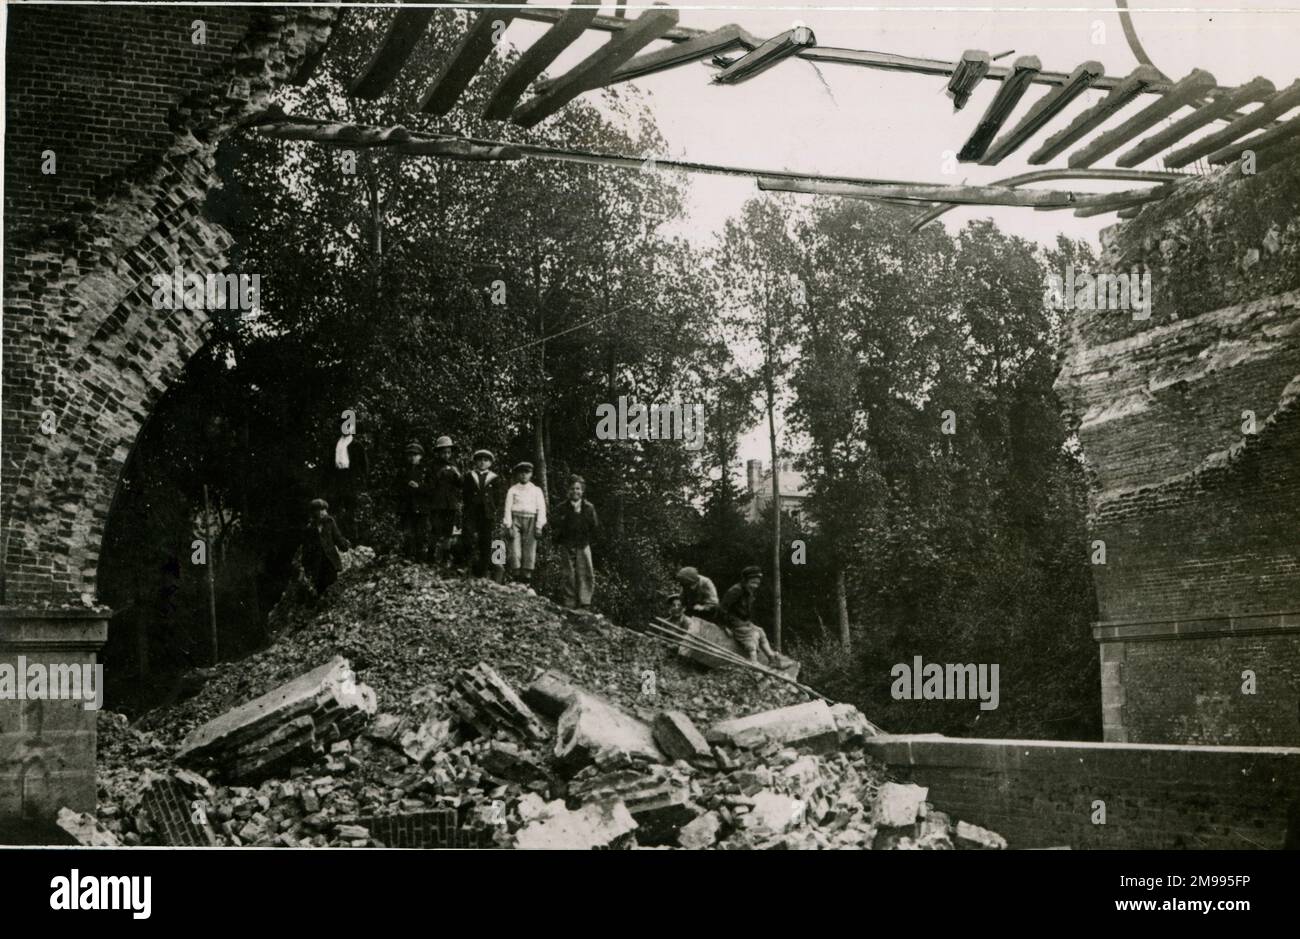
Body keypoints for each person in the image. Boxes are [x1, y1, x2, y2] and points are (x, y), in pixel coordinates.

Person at [551, 475, 599, 608]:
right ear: (568, 491)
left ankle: (585, 602)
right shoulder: (562, 508)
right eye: (572, 488)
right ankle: (569, 602)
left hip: (583, 544)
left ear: (582, 491)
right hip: (567, 544)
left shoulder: (588, 507)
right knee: (568, 574)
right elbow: (556, 525)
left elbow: (594, 526)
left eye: (578, 488)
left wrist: (586, 538)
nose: (575, 491)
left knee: (586, 572)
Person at [719, 565, 782, 665]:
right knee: (751, 635)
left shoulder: (748, 591)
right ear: (746, 580)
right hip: (733, 621)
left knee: (760, 631)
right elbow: (722, 608)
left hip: (743, 621)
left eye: (757, 582)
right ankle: (753, 662)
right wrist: (725, 626)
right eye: (753, 581)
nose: (755, 585)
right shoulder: (735, 591)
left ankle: (771, 657)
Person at [502, 461, 547, 584]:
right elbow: (507, 508)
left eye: (527, 472)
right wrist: (508, 525)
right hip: (516, 518)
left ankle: (526, 579)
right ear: (517, 474)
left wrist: (539, 526)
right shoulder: (513, 490)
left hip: (531, 520)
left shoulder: (536, 490)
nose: (524, 475)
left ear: (531, 474)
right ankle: (516, 577)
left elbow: (541, 508)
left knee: (530, 549)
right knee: (514, 548)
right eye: (521, 473)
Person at [462, 449, 504, 580]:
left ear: (490, 463)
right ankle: (466, 567)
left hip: (486, 513)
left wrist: (492, 508)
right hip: (472, 511)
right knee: (468, 536)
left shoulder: (494, 478)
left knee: (485, 540)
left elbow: (497, 497)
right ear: (475, 462)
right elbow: (465, 493)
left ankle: (483, 570)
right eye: (479, 460)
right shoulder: (470, 476)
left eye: (485, 460)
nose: (482, 463)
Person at [302, 498, 350, 598]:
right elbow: (306, 549)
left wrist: (344, 545)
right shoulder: (309, 529)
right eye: (320, 510)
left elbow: (337, 537)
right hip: (317, 564)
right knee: (321, 590)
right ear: (314, 512)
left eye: (324, 509)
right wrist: (307, 567)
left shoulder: (330, 522)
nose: (323, 512)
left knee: (333, 586)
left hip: (330, 561)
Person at [428, 435, 462, 569]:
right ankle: (430, 556)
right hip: (437, 504)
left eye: (448, 452)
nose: (446, 455)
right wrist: (440, 473)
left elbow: (460, 484)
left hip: (450, 504)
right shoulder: (433, 466)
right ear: (438, 452)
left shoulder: (455, 465)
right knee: (435, 529)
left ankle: (445, 557)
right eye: (443, 452)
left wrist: (457, 474)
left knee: (448, 531)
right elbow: (430, 485)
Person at [396, 441, 431, 561]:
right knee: (408, 532)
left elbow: (431, 488)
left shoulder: (426, 471)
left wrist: (419, 487)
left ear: (421, 456)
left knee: (420, 532)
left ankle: (419, 557)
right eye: (410, 455)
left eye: (415, 455)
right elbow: (396, 488)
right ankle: (408, 556)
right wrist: (405, 487)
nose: (412, 458)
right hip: (406, 506)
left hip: (421, 506)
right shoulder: (402, 471)